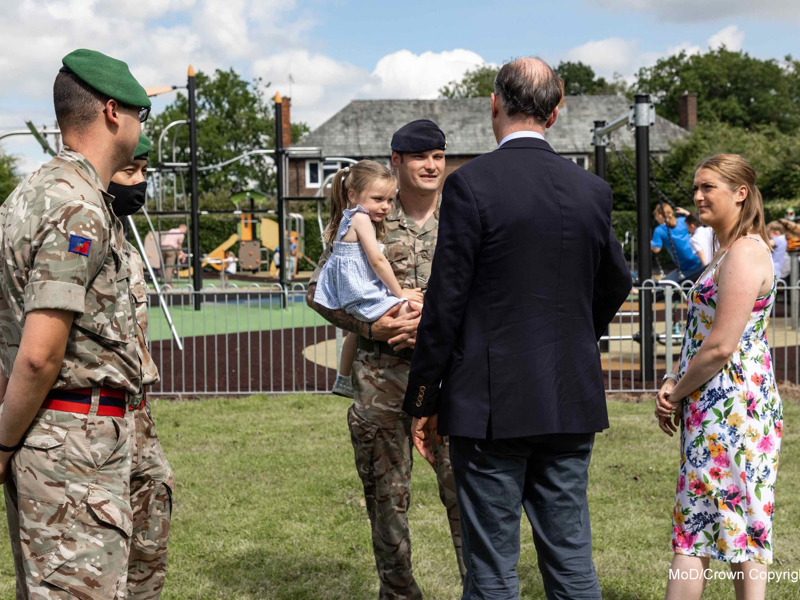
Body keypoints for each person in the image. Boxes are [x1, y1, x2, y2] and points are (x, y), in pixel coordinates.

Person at [403, 58, 632, 600]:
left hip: (489, 406)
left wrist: (422, 398)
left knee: (492, 569)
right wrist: (577, 334)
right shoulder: (591, 190)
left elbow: (446, 301)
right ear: (556, 112)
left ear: (494, 103)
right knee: (571, 559)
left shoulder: (471, 185)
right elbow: (616, 282)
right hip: (568, 396)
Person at [0, 48, 148, 599]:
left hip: (49, 440)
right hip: (72, 445)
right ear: (113, 113)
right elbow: (40, 352)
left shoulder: (28, 195)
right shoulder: (78, 207)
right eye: (140, 116)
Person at [307, 119, 466, 597]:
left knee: (467, 497)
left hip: (453, 382)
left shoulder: (464, 216)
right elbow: (319, 291)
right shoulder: (366, 216)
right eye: (421, 156)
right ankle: (398, 592)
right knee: (386, 502)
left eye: (438, 155)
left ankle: (479, 591)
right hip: (382, 384)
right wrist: (372, 326)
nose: (432, 165)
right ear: (397, 161)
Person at [655, 155, 782, 600]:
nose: (697, 196)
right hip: (717, 411)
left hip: (735, 417)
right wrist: (677, 379)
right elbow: (706, 338)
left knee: (727, 528)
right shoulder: (728, 251)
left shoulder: (747, 251)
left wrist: (675, 390)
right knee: (712, 524)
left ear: (740, 192)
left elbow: (723, 345)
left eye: (708, 187)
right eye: (696, 187)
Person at [108, 133, 175, 600]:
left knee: (153, 514)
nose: (140, 183)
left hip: (137, 412)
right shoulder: (76, 231)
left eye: (145, 173)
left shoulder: (126, 246)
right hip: (87, 420)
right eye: (131, 172)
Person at [315, 161, 423, 399]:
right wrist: (400, 293)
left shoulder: (347, 219)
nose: (385, 207)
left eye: (390, 200)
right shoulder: (361, 220)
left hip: (354, 297)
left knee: (355, 333)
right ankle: (432, 377)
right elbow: (378, 262)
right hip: (363, 295)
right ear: (352, 195)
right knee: (416, 311)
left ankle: (343, 379)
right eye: (378, 199)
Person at [652, 204, 705, 283]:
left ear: (660, 216)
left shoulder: (659, 230)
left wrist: (649, 242)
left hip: (685, 267)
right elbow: (694, 221)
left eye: (655, 216)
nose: (655, 219)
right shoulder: (682, 221)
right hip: (699, 260)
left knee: (663, 285)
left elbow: (656, 249)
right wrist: (686, 213)